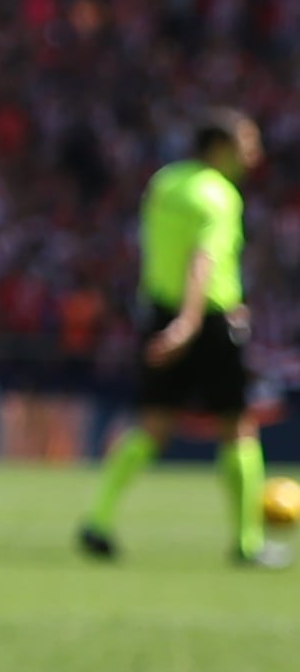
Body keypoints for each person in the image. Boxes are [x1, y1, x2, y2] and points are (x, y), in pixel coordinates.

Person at [77, 111, 280, 570]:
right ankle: (248, 542)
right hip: (207, 320)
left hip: (158, 310)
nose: (254, 154)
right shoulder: (218, 195)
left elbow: (158, 250)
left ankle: (98, 520)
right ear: (220, 148)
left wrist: (167, 318)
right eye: (247, 143)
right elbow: (202, 260)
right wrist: (190, 323)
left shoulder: (165, 183)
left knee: (152, 425)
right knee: (238, 428)